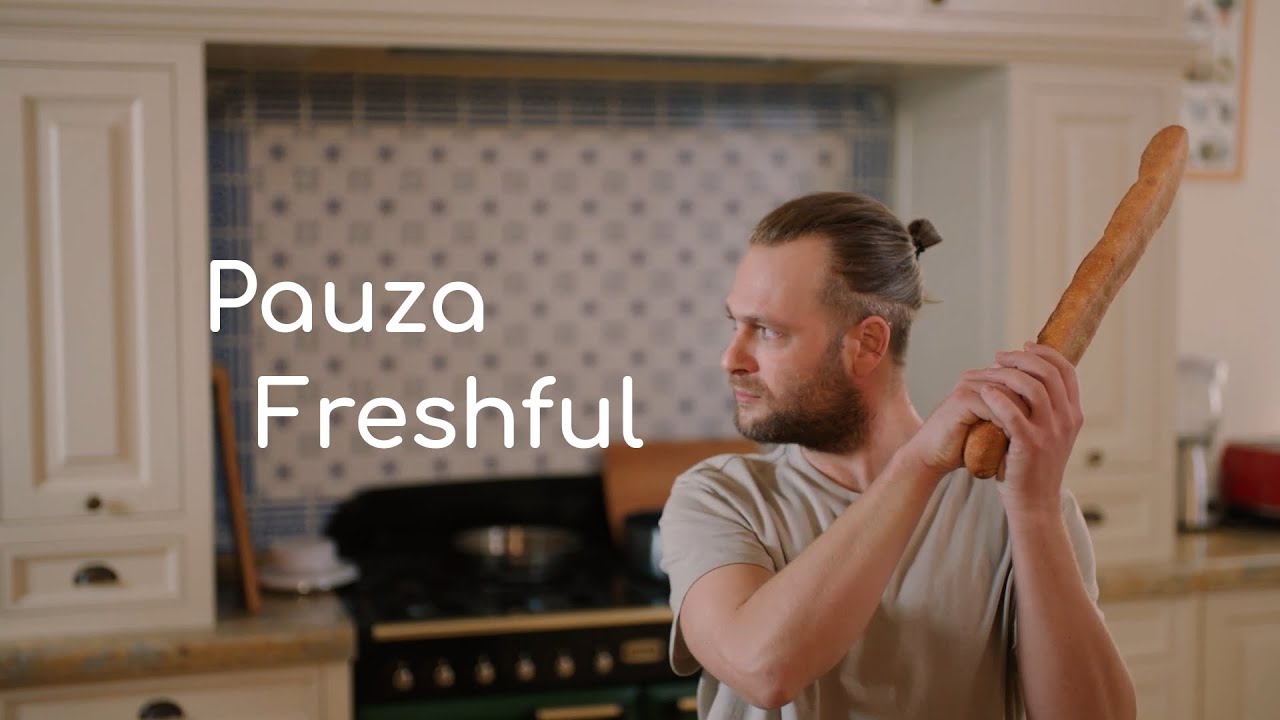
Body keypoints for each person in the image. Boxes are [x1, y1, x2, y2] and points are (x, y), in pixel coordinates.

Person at [658, 191, 1135, 720]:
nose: (731, 358)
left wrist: (1036, 509)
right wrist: (919, 463)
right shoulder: (719, 498)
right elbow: (763, 671)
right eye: (736, 325)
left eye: (767, 331)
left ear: (867, 344)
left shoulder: (1019, 505)